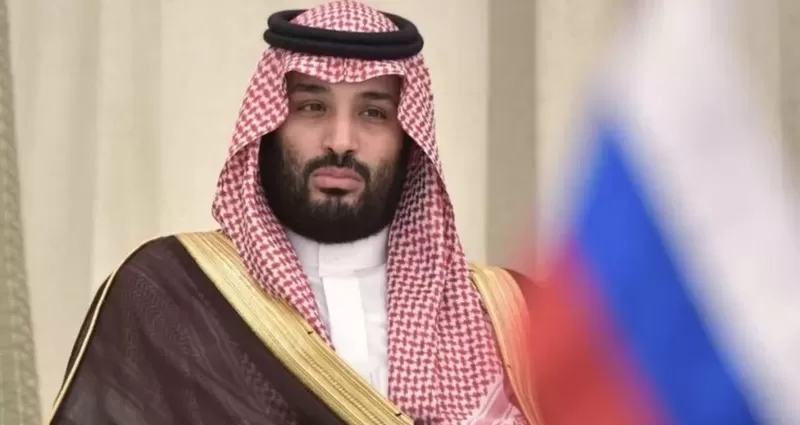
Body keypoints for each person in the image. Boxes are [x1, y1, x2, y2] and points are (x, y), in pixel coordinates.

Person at [47, 2, 539, 424]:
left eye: (373, 113)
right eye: (312, 107)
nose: (341, 142)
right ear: (269, 126)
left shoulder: (510, 317)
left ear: (409, 140)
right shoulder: (170, 293)